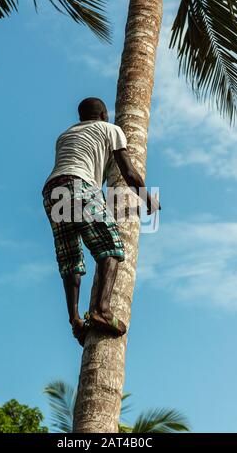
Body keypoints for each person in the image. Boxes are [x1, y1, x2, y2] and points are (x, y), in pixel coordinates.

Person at [42, 97, 160, 346]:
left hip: (53, 190)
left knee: (70, 260)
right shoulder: (111, 129)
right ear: (104, 114)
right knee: (112, 248)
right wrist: (147, 198)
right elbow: (127, 171)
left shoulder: (65, 135)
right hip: (78, 186)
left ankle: (75, 320)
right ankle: (102, 310)